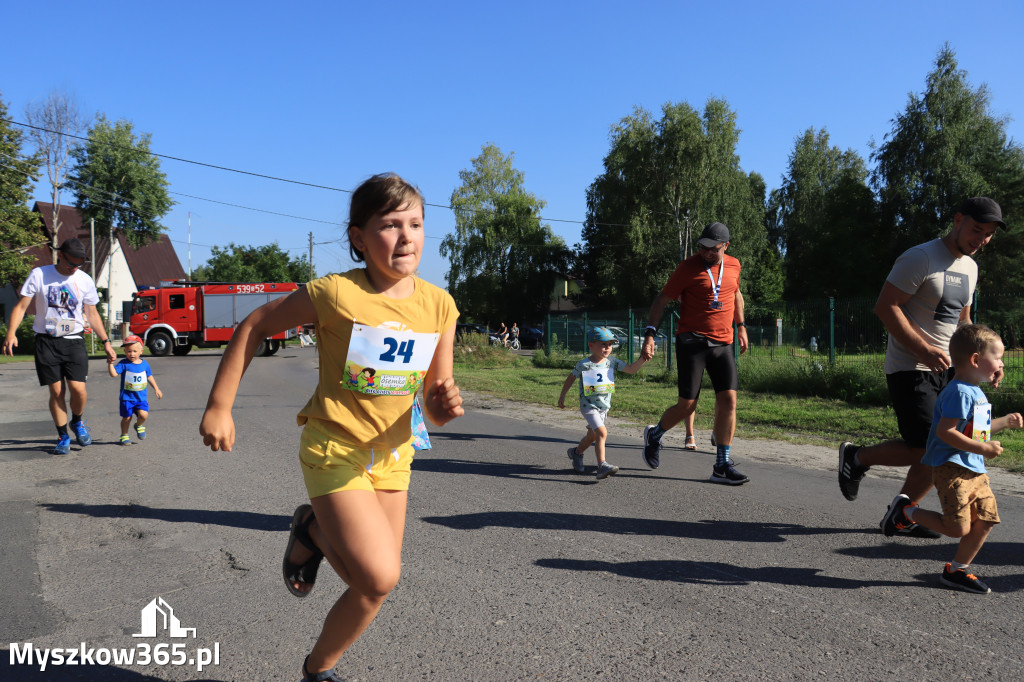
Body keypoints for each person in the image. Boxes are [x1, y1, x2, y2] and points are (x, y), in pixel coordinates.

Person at [199, 173, 463, 682]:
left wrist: (443, 405)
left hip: (393, 455)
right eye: (390, 225)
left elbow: (432, 398)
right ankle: (314, 536)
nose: (406, 236)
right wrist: (219, 405)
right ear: (359, 238)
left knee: (374, 588)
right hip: (334, 447)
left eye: (415, 223)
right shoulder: (336, 294)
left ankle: (317, 667)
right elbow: (254, 325)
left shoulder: (440, 306)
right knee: (380, 574)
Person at [838, 197, 1005, 537]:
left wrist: (988, 361)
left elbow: (964, 321)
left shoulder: (970, 267)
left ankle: (902, 515)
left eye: (988, 234)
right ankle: (857, 458)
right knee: (927, 445)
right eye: (977, 230)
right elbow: (886, 307)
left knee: (952, 441)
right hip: (911, 365)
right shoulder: (921, 257)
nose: (981, 240)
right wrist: (925, 349)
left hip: (953, 369)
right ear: (957, 220)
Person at [881, 324, 1022, 593]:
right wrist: (984, 449)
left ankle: (956, 570)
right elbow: (946, 433)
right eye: (999, 357)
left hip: (974, 470)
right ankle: (906, 511)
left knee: (986, 520)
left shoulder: (976, 391)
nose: (1002, 364)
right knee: (957, 528)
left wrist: (1005, 421)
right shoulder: (959, 392)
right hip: (952, 469)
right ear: (976, 360)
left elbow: (977, 433)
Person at [639, 222, 750, 484]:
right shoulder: (687, 268)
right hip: (692, 341)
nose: (706, 252)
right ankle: (655, 436)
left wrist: (742, 326)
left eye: (712, 248)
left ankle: (721, 465)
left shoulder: (734, 265)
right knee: (687, 405)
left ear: (726, 246)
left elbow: (735, 294)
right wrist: (650, 335)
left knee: (729, 401)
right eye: (702, 247)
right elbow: (662, 299)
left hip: (723, 343)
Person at [2, 238, 118, 454]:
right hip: (46, 341)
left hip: (74, 340)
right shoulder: (39, 274)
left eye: (78, 264)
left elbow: (92, 314)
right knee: (56, 392)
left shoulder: (84, 280)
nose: (74, 268)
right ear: (60, 256)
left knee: (78, 390)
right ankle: (63, 435)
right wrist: (11, 334)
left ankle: (78, 421)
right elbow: (21, 307)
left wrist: (107, 343)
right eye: (71, 263)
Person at [557, 326, 648, 479]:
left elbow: (631, 369)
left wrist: (643, 359)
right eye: (603, 344)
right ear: (591, 346)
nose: (607, 348)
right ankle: (602, 466)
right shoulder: (584, 364)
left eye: (610, 345)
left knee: (592, 437)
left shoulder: (612, 362)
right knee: (602, 433)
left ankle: (576, 453)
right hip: (588, 407)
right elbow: (571, 377)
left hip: (603, 408)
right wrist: (562, 396)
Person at [107, 334, 163, 445]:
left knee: (143, 415)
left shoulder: (145, 364)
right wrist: (110, 363)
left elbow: (149, 376)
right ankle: (124, 435)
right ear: (125, 351)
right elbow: (113, 374)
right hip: (127, 398)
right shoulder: (124, 363)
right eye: (129, 351)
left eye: (134, 351)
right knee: (126, 418)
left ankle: (138, 425)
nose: (132, 354)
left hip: (140, 398)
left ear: (141, 351)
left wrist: (156, 388)